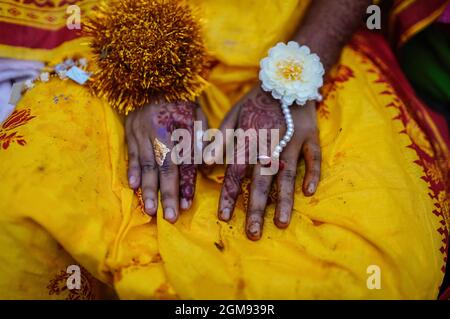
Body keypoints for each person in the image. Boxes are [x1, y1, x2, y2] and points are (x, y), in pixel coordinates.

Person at [0, 0, 448, 299]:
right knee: (26, 213)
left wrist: (290, 84)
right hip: (122, 33)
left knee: (375, 268)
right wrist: (149, 68)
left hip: (303, 42)